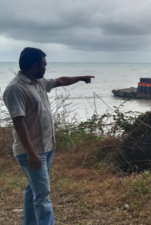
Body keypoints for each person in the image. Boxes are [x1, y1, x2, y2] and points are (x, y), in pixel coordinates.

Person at [3, 47, 95, 225]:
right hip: (32, 151)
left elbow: (60, 80)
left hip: (45, 148)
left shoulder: (38, 82)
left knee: (33, 190)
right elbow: (18, 123)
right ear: (35, 66)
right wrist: (31, 153)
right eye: (44, 65)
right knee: (42, 196)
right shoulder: (16, 89)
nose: (46, 68)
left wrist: (80, 78)